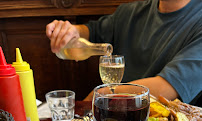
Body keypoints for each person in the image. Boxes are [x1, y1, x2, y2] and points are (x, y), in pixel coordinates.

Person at [46, 0, 202, 105]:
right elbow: (90, 32)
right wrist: (71, 31)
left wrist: (102, 95)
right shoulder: (130, 12)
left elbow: (167, 89)